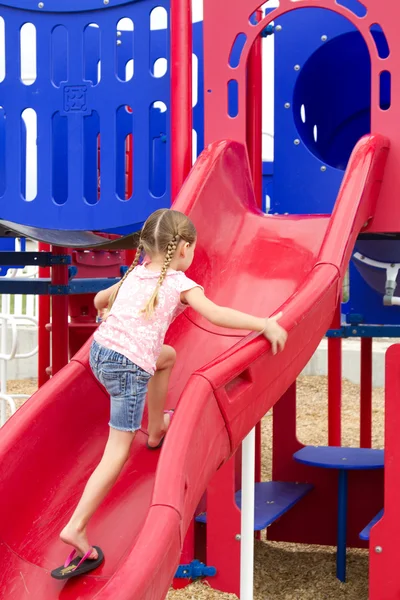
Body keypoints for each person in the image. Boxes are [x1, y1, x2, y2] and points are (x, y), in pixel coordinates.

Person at [51, 208, 287, 579]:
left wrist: (107, 307)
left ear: (146, 246)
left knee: (166, 356)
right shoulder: (178, 284)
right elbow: (217, 314)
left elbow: (99, 302)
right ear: (185, 249)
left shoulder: (133, 274)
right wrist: (264, 323)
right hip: (127, 370)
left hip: (99, 355)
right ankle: (76, 528)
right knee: (118, 449)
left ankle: (157, 427)